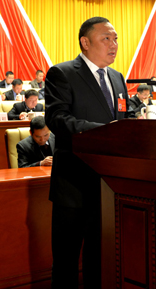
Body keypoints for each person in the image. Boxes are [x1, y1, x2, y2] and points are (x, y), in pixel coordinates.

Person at [45, 16, 130, 287]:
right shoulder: (62, 73)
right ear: (85, 42)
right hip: (74, 183)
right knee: (67, 260)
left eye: (115, 39)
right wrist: (105, 131)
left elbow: (124, 117)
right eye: (106, 38)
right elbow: (57, 119)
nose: (114, 44)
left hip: (108, 184)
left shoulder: (117, 78)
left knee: (100, 257)